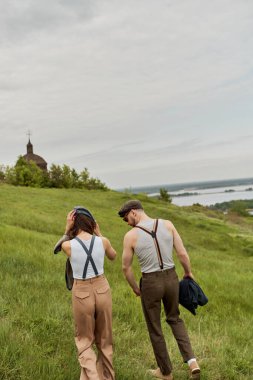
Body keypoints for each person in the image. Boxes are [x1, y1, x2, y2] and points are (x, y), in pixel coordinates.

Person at [118, 200, 200, 380]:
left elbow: (126, 268)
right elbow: (182, 253)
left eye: (126, 219)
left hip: (150, 282)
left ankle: (165, 372)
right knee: (175, 319)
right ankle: (192, 362)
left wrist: (135, 288)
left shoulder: (131, 236)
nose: (127, 223)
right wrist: (188, 272)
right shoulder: (168, 224)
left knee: (155, 327)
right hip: (171, 278)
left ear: (133, 212)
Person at [54, 206, 117, 380]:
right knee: (105, 339)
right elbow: (113, 256)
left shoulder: (68, 245)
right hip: (102, 289)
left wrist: (67, 229)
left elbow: (57, 247)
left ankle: (93, 377)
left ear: (74, 223)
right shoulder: (103, 241)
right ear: (91, 223)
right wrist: (100, 233)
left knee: (84, 340)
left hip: (82, 292)